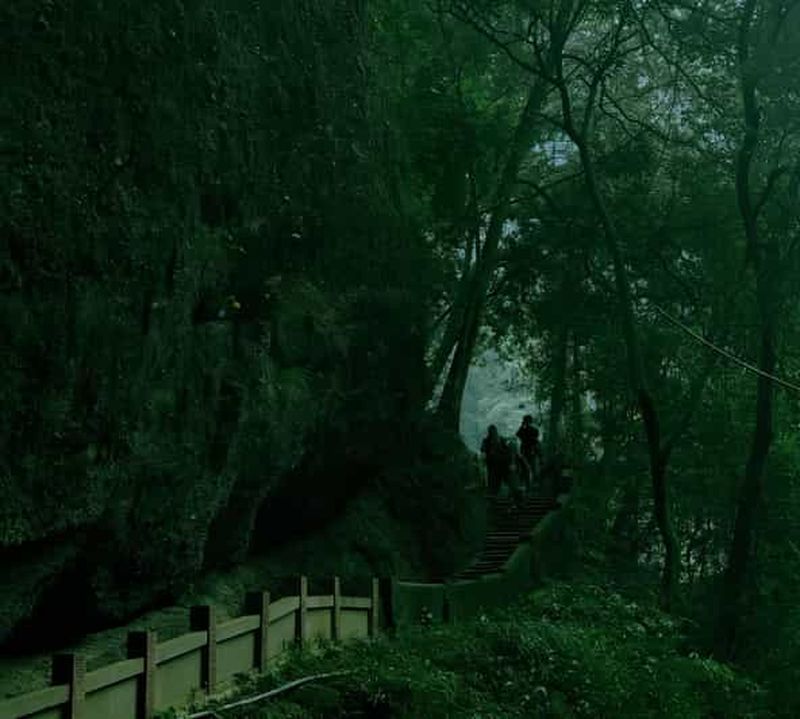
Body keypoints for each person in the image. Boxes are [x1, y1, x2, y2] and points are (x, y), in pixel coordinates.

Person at [481, 425, 511, 496]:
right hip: (491, 462)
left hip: (500, 462)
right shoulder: (487, 440)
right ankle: (493, 492)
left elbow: (506, 449)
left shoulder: (500, 439)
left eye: (493, 431)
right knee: (492, 478)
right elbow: (483, 449)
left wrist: (502, 451)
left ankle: (497, 492)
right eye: (491, 431)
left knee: (498, 478)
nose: (492, 433)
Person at [516, 415, 542, 491]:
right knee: (528, 469)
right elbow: (518, 435)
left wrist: (522, 426)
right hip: (528, 451)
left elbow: (518, 435)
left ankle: (529, 485)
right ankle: (529, 485)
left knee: (529, 469)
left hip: (528, 451)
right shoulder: (531, 430)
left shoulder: (528, 430)